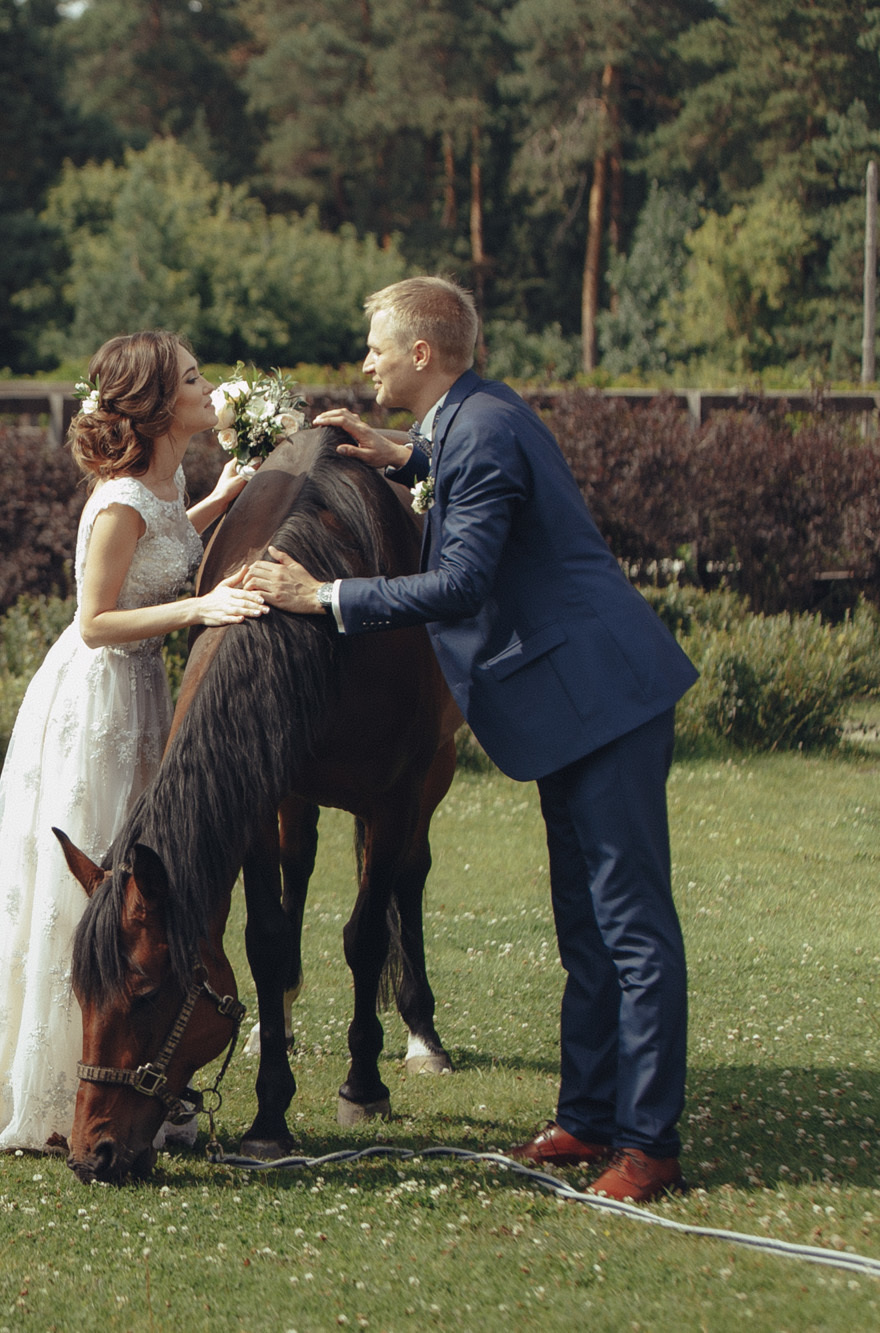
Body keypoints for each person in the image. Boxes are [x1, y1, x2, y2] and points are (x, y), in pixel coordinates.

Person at [242, 276, 699, 1203]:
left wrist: (319, 597)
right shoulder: (466, 419)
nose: (364, 360)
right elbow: (455, 467)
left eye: (377, 345)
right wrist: (402, 456)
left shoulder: (481, 429)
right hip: (567, 706)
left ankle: (648, 1143)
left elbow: (455, 582)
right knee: (584, 921)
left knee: (632, 929)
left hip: (602, 695)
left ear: (422, 353)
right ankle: (587, 1115)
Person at [0, 331, 265, 1155]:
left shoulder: (167, 483)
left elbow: (162, 548)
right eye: (194, 380)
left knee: (134, 897)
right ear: (160, 407)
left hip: (142, 694)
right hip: (95, 701)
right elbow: (95, 622)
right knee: (86, 894)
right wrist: (200, 610)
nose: (210, 389)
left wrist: (220, 500)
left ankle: (132, 1074)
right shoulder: (119, 497)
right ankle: (55, 1097)